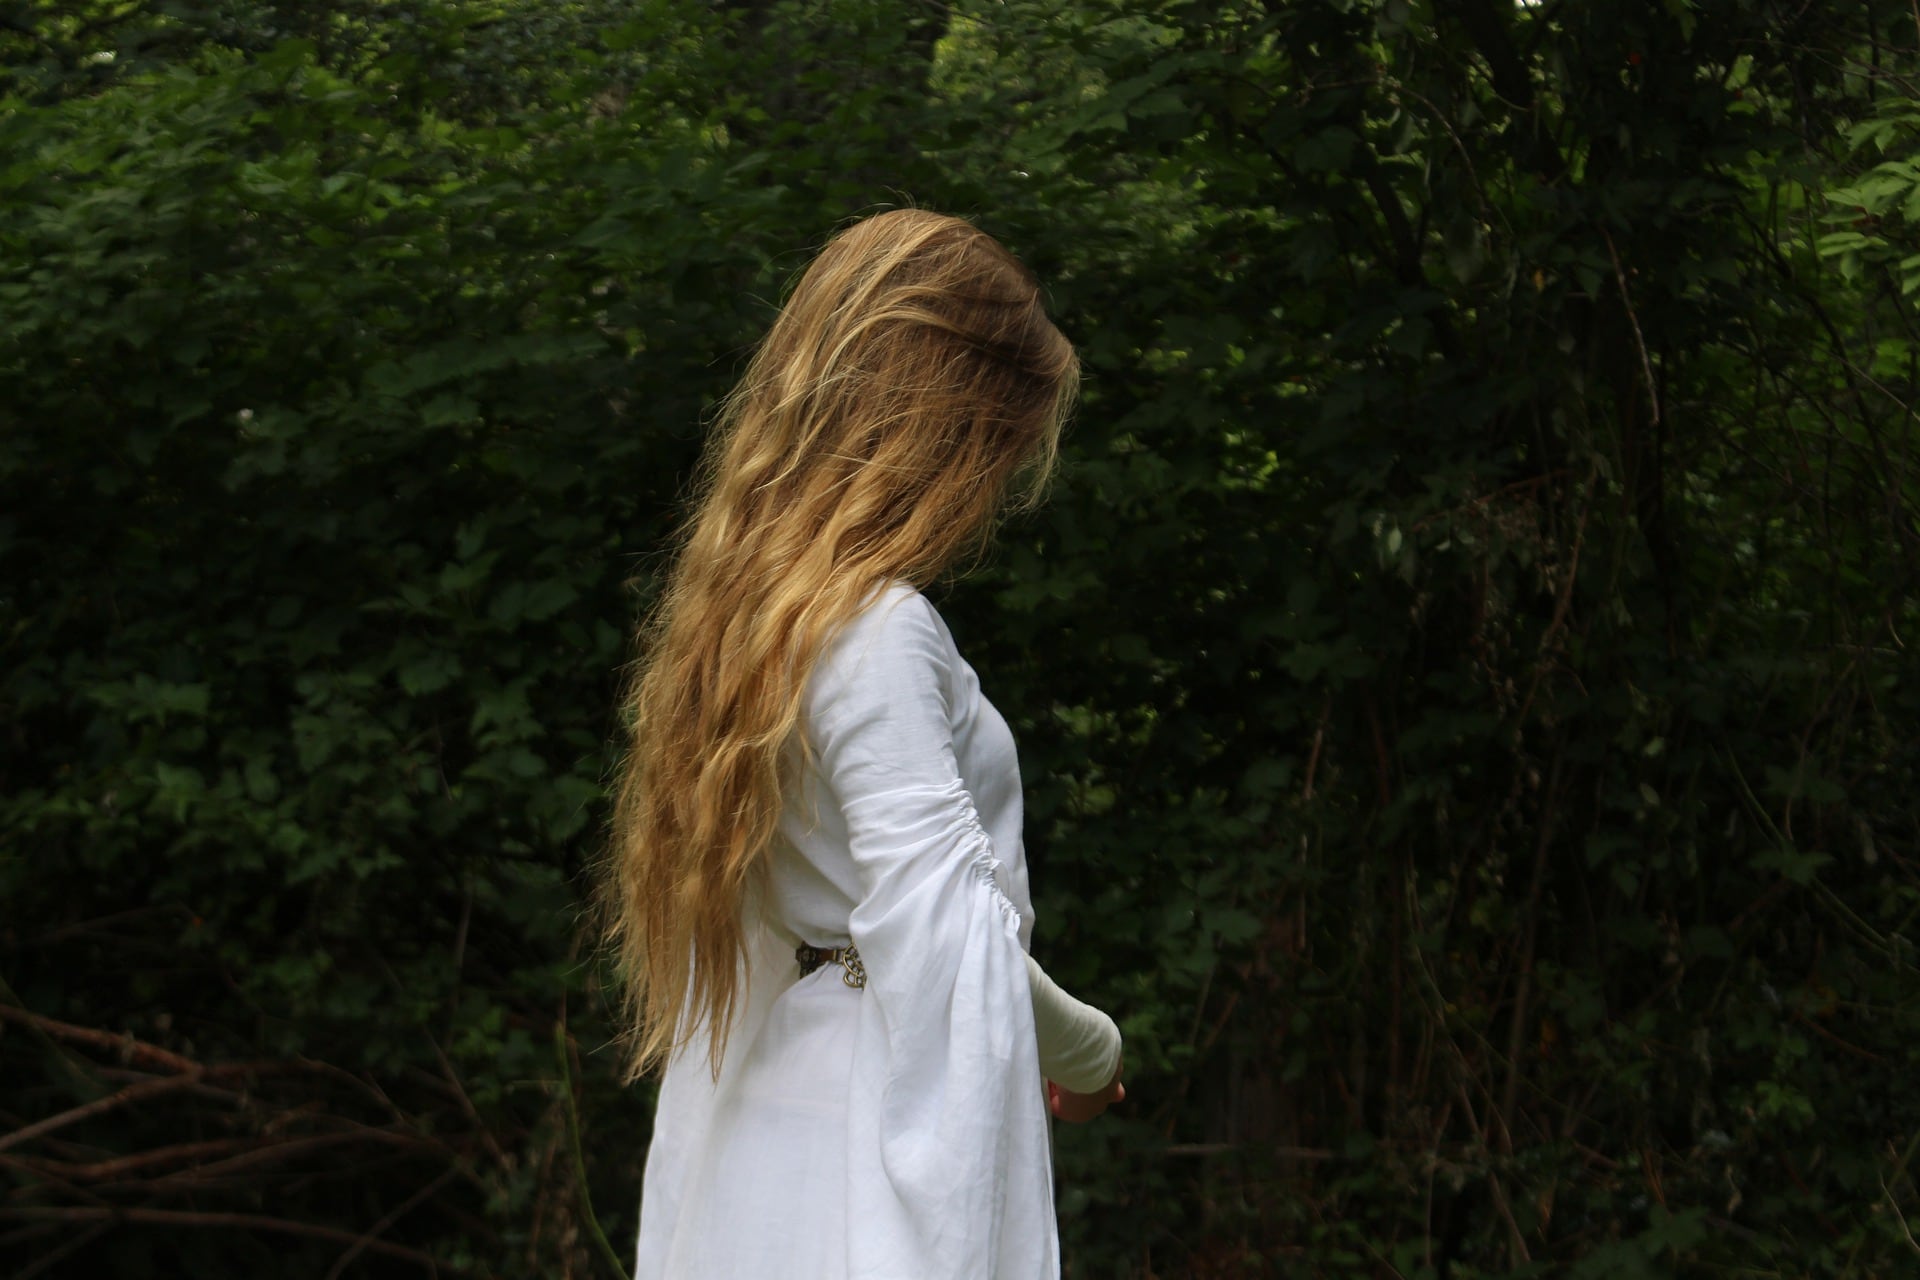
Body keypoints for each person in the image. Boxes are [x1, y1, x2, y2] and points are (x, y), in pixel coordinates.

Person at [603, 208, 1125, 1280]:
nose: (989, 492)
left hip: (774, 1125)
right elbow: (941, 941)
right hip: (858, 1146)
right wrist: (1087, 1044)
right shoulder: (877, 631)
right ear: (947, 423)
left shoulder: (754, 619)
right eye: (998, 449)